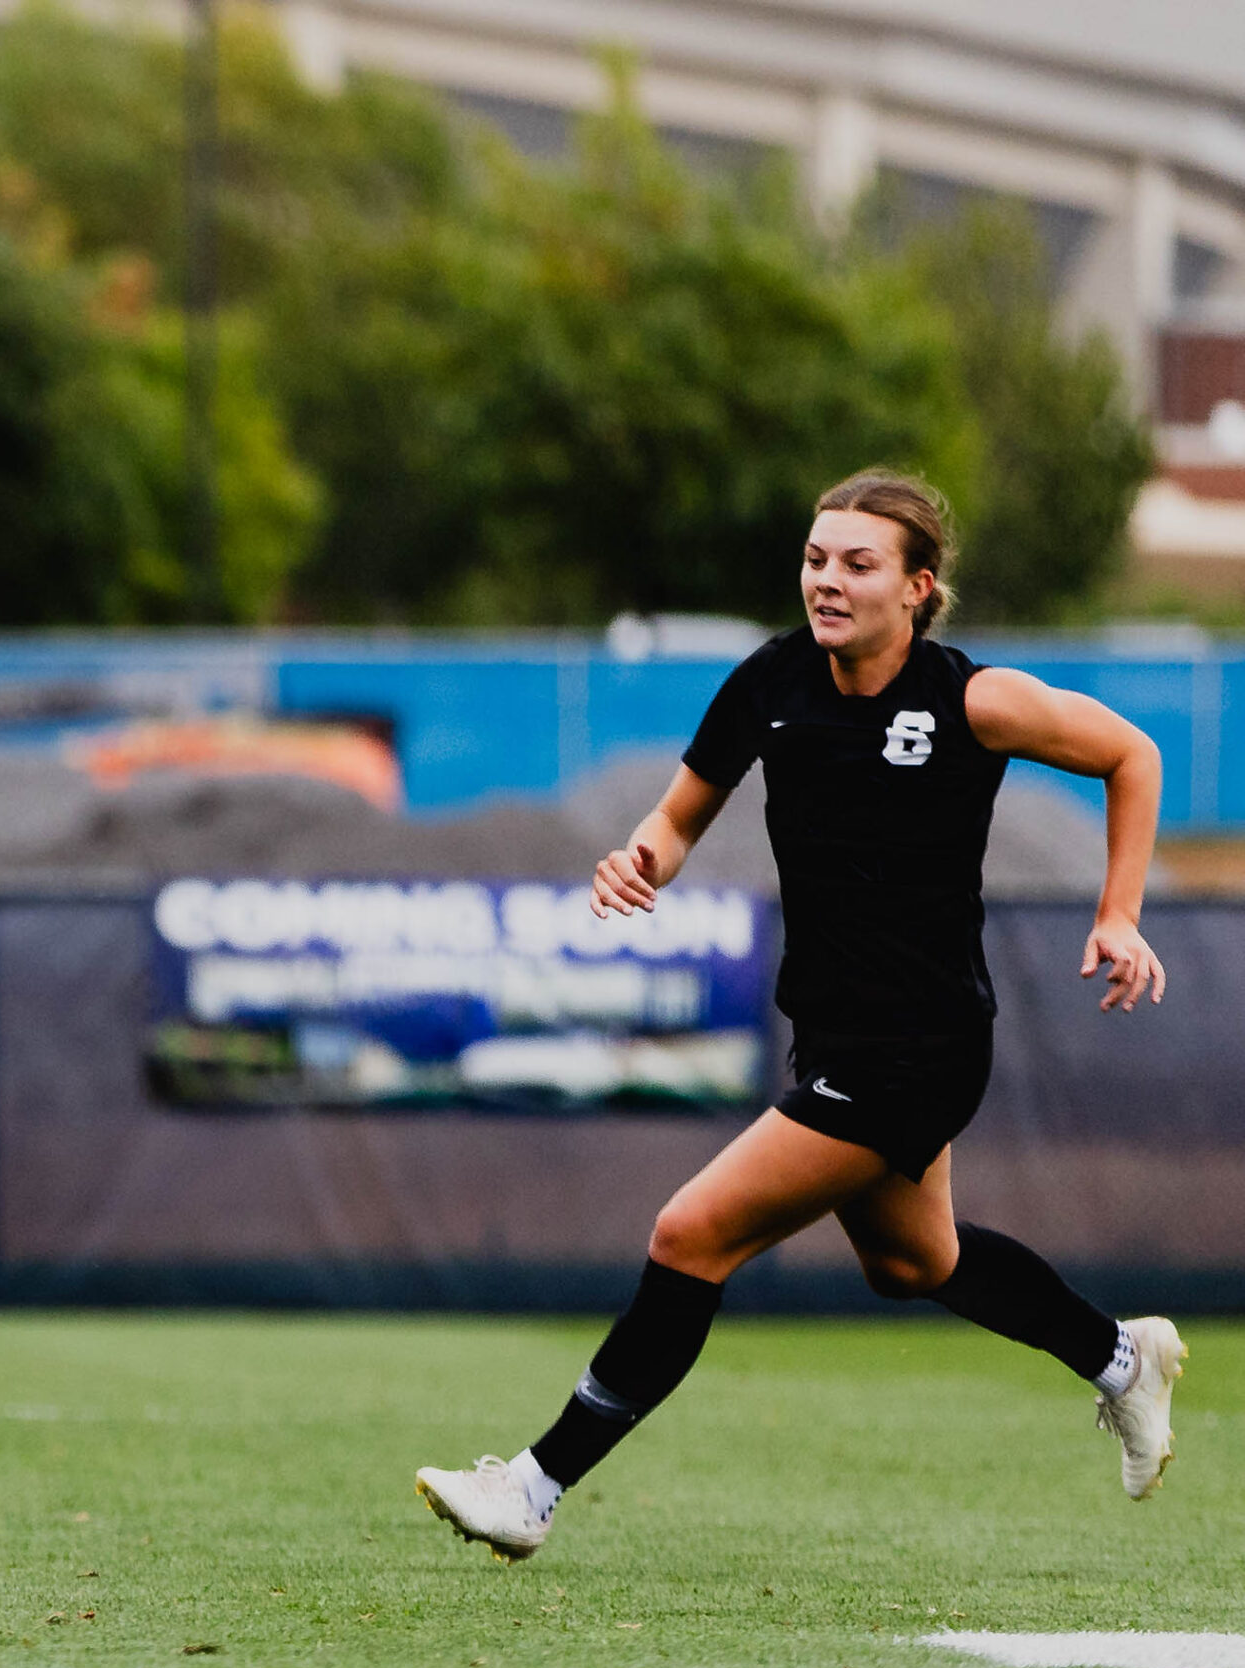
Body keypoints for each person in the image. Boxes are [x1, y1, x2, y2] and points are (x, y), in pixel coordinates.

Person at [416, 469, 1181, 1561]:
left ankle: (533, 1488)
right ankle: (1119, 1358)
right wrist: (640, 861)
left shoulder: (972, 700)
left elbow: (1131, 755)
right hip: (830, 1033)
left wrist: (1118, 913)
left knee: (690, 1234)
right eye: (817, 558)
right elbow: (677, 819)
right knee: (914, 1264)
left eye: (856, 563)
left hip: (920, 1047)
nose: (826, 579)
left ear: (917, 588)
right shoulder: (770, 680)